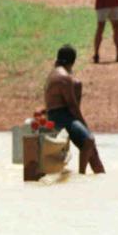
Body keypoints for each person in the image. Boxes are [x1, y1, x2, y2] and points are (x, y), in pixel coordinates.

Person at [44, 44, 104, 174]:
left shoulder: (54, 74)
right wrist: (84, 124)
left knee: (92, 151)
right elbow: (72, 106)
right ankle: (81, 173)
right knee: (89, 140)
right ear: (72, 62)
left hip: (55, 115)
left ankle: (100, 175)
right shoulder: (64, 78)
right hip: (61, 116)